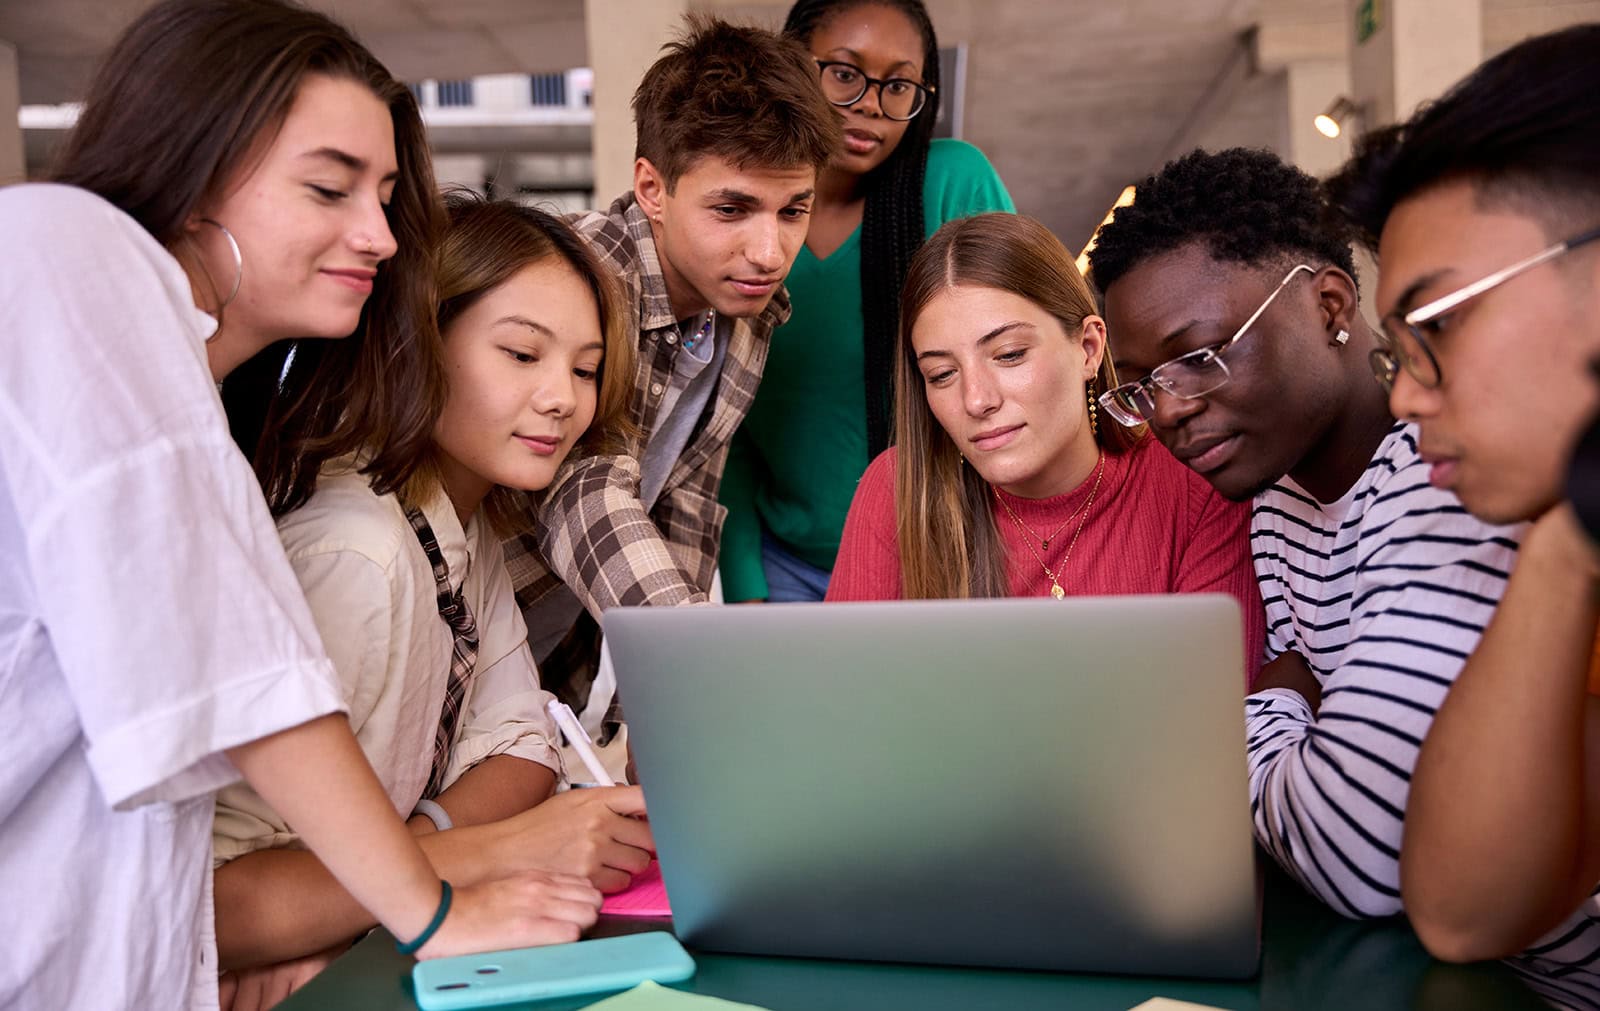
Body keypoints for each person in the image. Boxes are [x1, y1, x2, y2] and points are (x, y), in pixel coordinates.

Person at [0, 2, 597, 1007]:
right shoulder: (66, 246)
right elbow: (247, 675)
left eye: (384, 197)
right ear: (193, 167)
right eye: (327, 187)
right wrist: (434, 905)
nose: (376, 234)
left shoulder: (208, 407)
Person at [211, 195, 653, 1003]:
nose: (562, 396)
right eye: (523, 354)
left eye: (585, 369)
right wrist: (509, 848)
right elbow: (214, 903)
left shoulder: (455, 518)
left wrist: (395, 871)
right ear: (421, 347)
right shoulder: (355, 549)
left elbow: (523, 750)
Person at [1088, 147, 1521, 921]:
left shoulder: (1443, 486)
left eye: (1199, 355)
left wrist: (1261, 709)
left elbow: (1353, 853)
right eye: (1145, 384)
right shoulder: (1276, 498)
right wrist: (1293, 713)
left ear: (1329, 306)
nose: (1170, 411)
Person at [1328, 23, 1600, 996]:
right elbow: (1463, 909)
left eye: (1438, 325)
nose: (1403, 399)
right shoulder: (1559, 541)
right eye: (1395, 353)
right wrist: (1566, 548)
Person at [503, 16, 842, 749]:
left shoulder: (748, 313)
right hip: (448, 622)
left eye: (794, 210)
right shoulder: (580, 273)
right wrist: (699, 674)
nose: (769, 250)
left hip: (547, 657)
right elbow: (582, 485)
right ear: (651, 188)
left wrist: (655, 729)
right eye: (731, 208)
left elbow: (683, 505)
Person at [827, 213, 1263, 679]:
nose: (977, 400)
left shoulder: (1194, 482)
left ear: (1089, 348)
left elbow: (1207, 709)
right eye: (942, 375)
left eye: (1010, 355)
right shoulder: (898, 487)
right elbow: (845, 702)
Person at [718, 0, 1014, 603]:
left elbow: (1020, 363)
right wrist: (748, 588)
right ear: (793, 64)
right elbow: (729, 424)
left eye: (899, 84)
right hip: (787, 569)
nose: (873, 104)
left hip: (938, 555)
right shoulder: (748, 223)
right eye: (846, 73)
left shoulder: (952, 183)